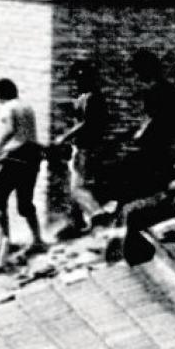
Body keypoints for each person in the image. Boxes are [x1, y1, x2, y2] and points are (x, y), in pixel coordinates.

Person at [0, 78, 44, 258]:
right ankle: (37, 239)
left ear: (0, 95)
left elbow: (10, 130)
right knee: (25, 202)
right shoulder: (26, 106)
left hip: (17, 155)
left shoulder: (8, 107)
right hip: (33, 154)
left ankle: (6, 241)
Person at [51, 61, 109, 239]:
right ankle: (76, 222)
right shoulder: (84, 97)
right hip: (81, 146)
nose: (76, 83)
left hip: (87, 147)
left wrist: (64, 137)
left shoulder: (93, 98)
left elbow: (86, 123)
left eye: (79, 79)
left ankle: (99, 217)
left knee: (78, 188)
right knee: (72, 185)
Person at [128, 50, 175, 198]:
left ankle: (164, 195)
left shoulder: (154, 89)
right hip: (167, 132)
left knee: (153, 164)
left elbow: (152, 116)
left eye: (138, 70)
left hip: (160, 134)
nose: (137, 75)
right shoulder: (167, 86)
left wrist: (140, 133)